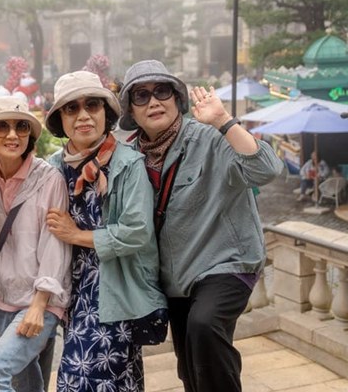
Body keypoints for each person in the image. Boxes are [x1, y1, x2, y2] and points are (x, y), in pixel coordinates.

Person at [118, 59, 284, 392]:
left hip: (226, 263)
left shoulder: (209, 137)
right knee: (191, 366)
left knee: (205, 326)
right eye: (141, 96)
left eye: (162, 91)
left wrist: (223, 121)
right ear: (131, 112)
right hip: (175, 280)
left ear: (177, 98)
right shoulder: (128, 158)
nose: (153, 101)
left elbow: (267, 170)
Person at [41, 71, 166, 392]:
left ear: (105, 113)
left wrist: (76, 235)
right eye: (72, 108)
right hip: (74, 294)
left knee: (76, 381)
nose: (83, 115)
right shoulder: (54, 167)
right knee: (121, 383)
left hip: (115, 293)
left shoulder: (127, 163)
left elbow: (137, 231)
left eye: (92, 106)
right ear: (61, 119)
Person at [0, 96, 71, 392]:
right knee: (23, 382)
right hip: (0, 296)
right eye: (1, 126)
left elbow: (56, 246)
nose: (12, 135)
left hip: (41, 301)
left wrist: (39, 305)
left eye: (21, 126)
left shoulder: (49, 179)